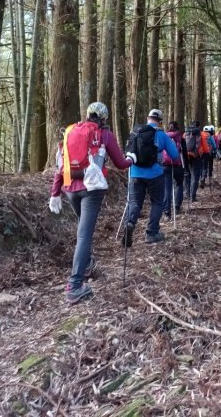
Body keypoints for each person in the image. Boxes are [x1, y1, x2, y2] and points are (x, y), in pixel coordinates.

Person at [49, 102, 135, 305]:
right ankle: (75, 285)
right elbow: (121, 163)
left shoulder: (70, 131)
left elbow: (62, 165)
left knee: (82, 229)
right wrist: (132, 158)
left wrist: (55, 192)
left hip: (70, 189)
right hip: (92, 190)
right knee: (84, 234)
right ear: (104, 118)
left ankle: (86, 264)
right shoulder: (104, 135)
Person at [122, 109, 179, 247]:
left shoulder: (136, 132)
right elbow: (175, 155)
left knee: (135, 202)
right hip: (155, 174)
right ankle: (151, 233)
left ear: (148, 119)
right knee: (157, 202)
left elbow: (127, 151)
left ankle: (130, 223)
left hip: (135, 173)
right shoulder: (161, 135)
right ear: (159, 121)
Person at [162, 121, 188, 219]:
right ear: (177, 128)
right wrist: (187, 167)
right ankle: (177, 207)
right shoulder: (180, 137)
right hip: (178, 164)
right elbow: (184, 153)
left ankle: (167, 212)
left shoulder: (164, 136)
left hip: (165, 165)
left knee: (167, 188)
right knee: (179, 184)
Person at [184, 120, 203, 202]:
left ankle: (187, 193)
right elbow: (203, 146)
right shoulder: (199, 134)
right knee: (195, 176)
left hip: (186, 156)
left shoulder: (185, 133)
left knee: (187, 175)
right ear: (198, 126)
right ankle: (193, 196)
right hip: (195, 156)